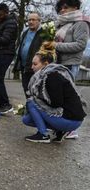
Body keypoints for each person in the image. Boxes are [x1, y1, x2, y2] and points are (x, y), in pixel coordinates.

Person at [22, 42, 86, 143]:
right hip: (73, 119)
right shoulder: (55, 72)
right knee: (27, 119)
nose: (32, 67)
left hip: (71, 121)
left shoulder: (51, 76)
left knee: (31, 102)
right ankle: (60, 131)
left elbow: (56, 103)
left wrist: (38, 101)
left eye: (35, 64)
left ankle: (43, 135)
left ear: (46, 64)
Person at [54, 0, 90, 138]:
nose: (62, 10)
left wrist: (56, 46)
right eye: (60, 8)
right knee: (60, 94)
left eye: (65, 7)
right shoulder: (62, 24)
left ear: (75, 7)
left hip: (71, 63)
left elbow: (80, 45)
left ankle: (73, 127)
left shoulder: (80, 23)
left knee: (70, 96)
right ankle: (62, 125)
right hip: (59, 63)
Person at [13, 12, 43, 98]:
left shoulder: (44, 33)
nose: (30, 22)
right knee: (26, 88)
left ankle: (36, 109)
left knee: (35, 90)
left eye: (33, 20)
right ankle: (29, 107)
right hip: (24, 66)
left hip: (36, 68)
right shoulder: (25, 32)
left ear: (39, 21)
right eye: (29, 20)